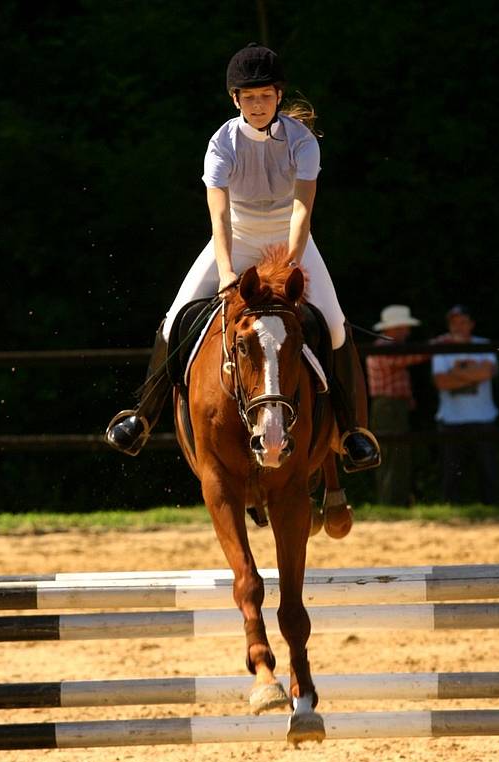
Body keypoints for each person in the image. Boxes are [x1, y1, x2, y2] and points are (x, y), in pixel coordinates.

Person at [105, 43, 379, 472]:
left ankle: (351, 430)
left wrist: (290, 261)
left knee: (334, 325)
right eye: (249, 97)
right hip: (234, 236)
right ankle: (142, 416)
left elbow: (303, 210)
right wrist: (228, 268)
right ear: (235, 99)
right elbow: (218, 212)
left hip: (291, 237)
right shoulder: (221, 142)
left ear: (278, 97)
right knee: (175, 317)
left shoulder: (302, 142)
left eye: (265, 96)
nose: (257, 105)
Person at [431, 304, 499, 504]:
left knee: (488, 470)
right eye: (454, 323)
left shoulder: (484, 344)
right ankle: (451, 507)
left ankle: (492, 506)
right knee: (450, 472)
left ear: (471, 324)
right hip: (451, 418)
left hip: (484, 417)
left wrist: (455, 374)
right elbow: (441, 382)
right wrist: (473, 375)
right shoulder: (441, 347)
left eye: (462, 322)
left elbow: (488, 372)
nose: (458, 327)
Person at [365, 305, 429, 506]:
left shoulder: (384, 347)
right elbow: (405, 360)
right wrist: (434, 347)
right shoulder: (384, 349)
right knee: (393, 454)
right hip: (388, 407)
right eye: (403, 327)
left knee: (396, 454)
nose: (407, 332)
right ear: (393, 328)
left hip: (390, 406)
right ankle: (391, 501)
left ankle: (395, 500)